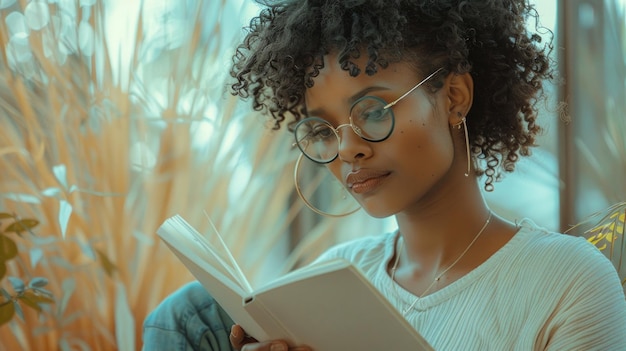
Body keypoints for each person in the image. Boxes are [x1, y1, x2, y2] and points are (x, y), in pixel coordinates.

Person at [142, 0, 626, 350]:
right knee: (188, 313)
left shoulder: (569, 280)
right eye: (324, 130)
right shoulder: (335, 276)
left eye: (372, 111)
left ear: (454, 97)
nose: (347, 148)